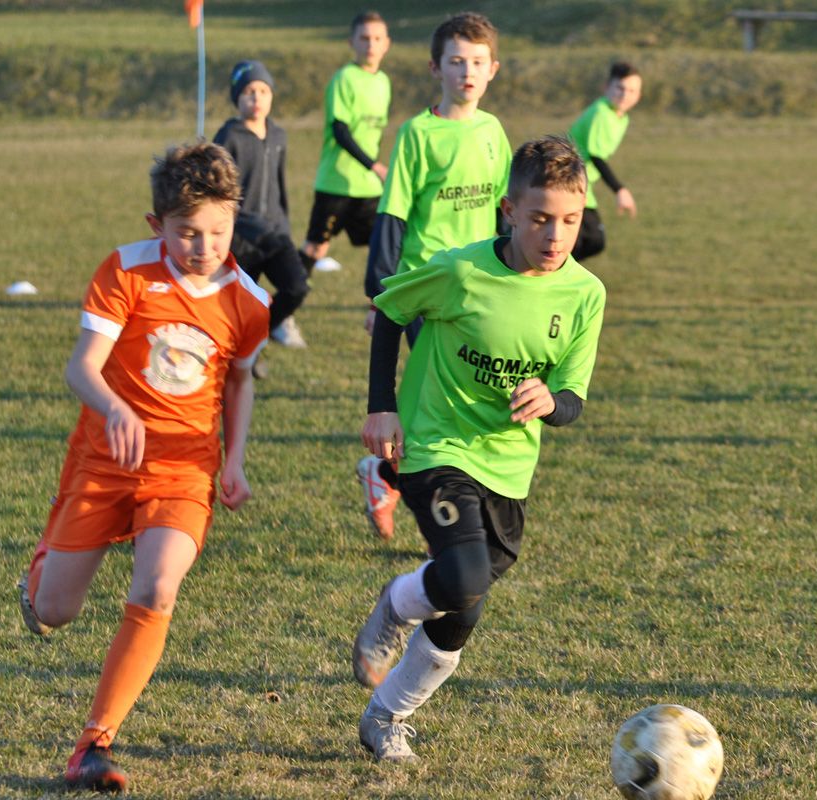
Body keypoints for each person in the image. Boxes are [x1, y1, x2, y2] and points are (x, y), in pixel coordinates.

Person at [16, 142, 269, 792]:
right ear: (157, 225)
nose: (204, 247)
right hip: (105, 461)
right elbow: (83, 366)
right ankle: (40, 572)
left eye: (218, 232)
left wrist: (236, 459)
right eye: (187, 233)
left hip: (185, 469)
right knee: (53, 611)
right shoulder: (126, 270)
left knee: (158, 588)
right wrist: (116, 409)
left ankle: (94, 744)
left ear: (234, 219)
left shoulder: (247, 301)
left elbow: (239, 382)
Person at [351, 135, 606, 763]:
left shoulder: (585, 295)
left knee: (463, 608)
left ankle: (386, 717)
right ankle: (395, 605)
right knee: (461, 576)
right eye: (540, 218)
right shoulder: (461, 271)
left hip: (508, 469)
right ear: (509, 211)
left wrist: (550, 401)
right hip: (435, 445)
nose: (555, 236)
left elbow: (573, 397)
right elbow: (390, 312)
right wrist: (382, 405)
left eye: (570, 220)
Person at [357, 11, 512, 542]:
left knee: (461, 405)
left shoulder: (493, 132)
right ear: (435, 67)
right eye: (456, 61)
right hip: (426, 291)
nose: (467, 72)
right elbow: (393, 216)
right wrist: (380, 296)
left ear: (493, 69)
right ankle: (452, 533)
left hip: (478, 291)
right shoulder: (417, 135)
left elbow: (504, 213)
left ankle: (383, 474)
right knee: (445, 408)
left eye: (477, 62)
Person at [214, 60, 311, 355]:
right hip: (242, 238)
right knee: (237, 310)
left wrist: (284, 224)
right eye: (249, 92)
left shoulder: (279, 135)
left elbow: (280, 185)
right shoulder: (228, 137)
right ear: (237, 98)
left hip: (275, 234)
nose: (256, 98)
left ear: (271, 96)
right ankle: (245, 356)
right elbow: (219, 193)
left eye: (263, 91)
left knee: (297, 287)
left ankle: (266, 329)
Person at [299, 11, 392, 276]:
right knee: (316, 248)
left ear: (387, 44)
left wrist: (373, 170)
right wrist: (375, 166)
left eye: (377, 38)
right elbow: (340, 132)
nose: (371, 44)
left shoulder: (383, 82)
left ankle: (379, 299)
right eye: (364, 38)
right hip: (335, 183)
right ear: (351, 42)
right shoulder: (344, 79)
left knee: (385, 246)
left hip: (368, 188)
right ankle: (287, 299)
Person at [567, 61, 643, 261]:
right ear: (606, 87)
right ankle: (551, 271)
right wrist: (619, 190)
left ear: (639, 95)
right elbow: (597, 156)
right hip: (567, 181)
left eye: (632, 90)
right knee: (592, 240)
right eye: (620, 88)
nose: (625, 95)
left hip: (581, 183)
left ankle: (554, 270)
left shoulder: (620, 117)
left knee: (590, 241)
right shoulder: (601, 113)